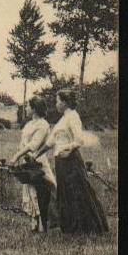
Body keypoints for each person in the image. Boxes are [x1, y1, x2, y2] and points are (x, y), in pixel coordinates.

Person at [34, 89, 109, 235]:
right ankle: (71, 228)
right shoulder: (62, 119)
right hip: (60, 161)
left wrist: (69, 149)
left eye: (57, 101)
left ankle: (87, 227)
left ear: (65, 102)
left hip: (71, 161)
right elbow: (50, 142)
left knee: (77, 192)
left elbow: (79, 139)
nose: (56, 104)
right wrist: (37, 154)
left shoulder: (73, 116)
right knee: (65, 193)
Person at [10, 97, 56, 232]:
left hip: (38, 164)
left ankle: (44, 225)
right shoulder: (29, 124)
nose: (26, 108)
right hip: (27, 163)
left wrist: (17, 156)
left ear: (34, 108)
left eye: (28, 106)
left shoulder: (43, 125)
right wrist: (18, 157)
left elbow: (34, 145)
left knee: (41, 192)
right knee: (29, 192)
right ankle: (34, 223)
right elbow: (23, 143)